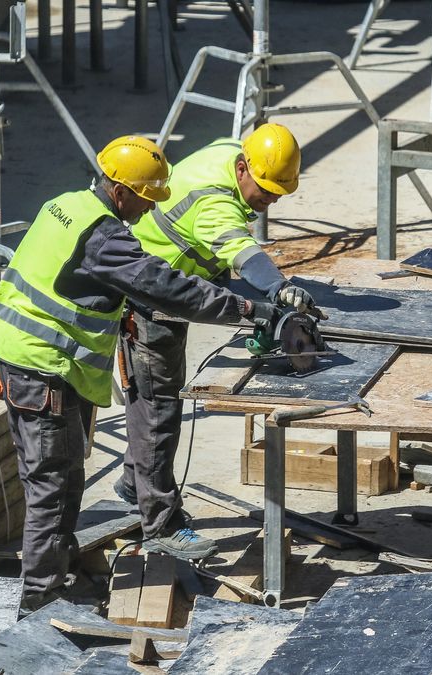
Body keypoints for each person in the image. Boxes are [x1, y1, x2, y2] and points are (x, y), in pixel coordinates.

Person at [0, 135, 278, 612]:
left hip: (30, 359)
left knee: (67, 475)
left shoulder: (66, 204)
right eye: (144, 199)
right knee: (50, 487)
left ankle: (60, 574)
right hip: (39, 366)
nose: (146, 211)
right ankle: (39, 602)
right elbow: (163, 286)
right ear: (119, 190)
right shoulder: (106, 238)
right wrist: (245, 307)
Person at [117, 123, 324, 560]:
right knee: (158, 412)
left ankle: (133, 483)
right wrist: (280, 289)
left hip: (178, 282)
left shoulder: (230, 150)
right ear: (243, 168)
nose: (270, 201)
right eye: (266, 192)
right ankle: (161, 524)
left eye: (278, 194)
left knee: (154, 407)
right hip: (152, 296)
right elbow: (244, 254)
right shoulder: (215, 202)